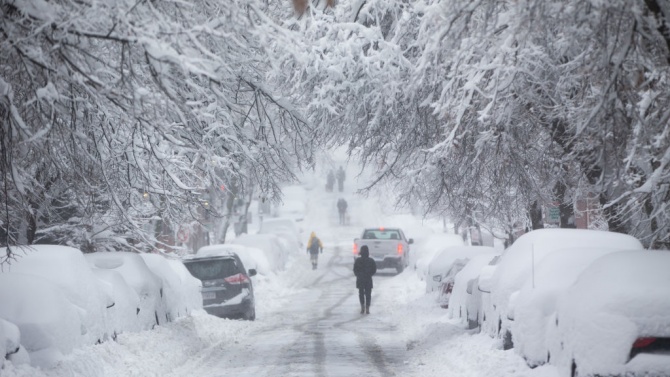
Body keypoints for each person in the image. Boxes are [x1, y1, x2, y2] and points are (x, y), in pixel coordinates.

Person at [353, 245, 376, 314]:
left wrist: (358, 275)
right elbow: (374, 269)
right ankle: (367, 307)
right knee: (368, 294)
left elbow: (355, 270)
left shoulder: (358, 260)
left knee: (361, 293)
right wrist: (369, 274)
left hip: (360, 279)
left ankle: (362, 306)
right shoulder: (371, 261)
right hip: (368, 279)